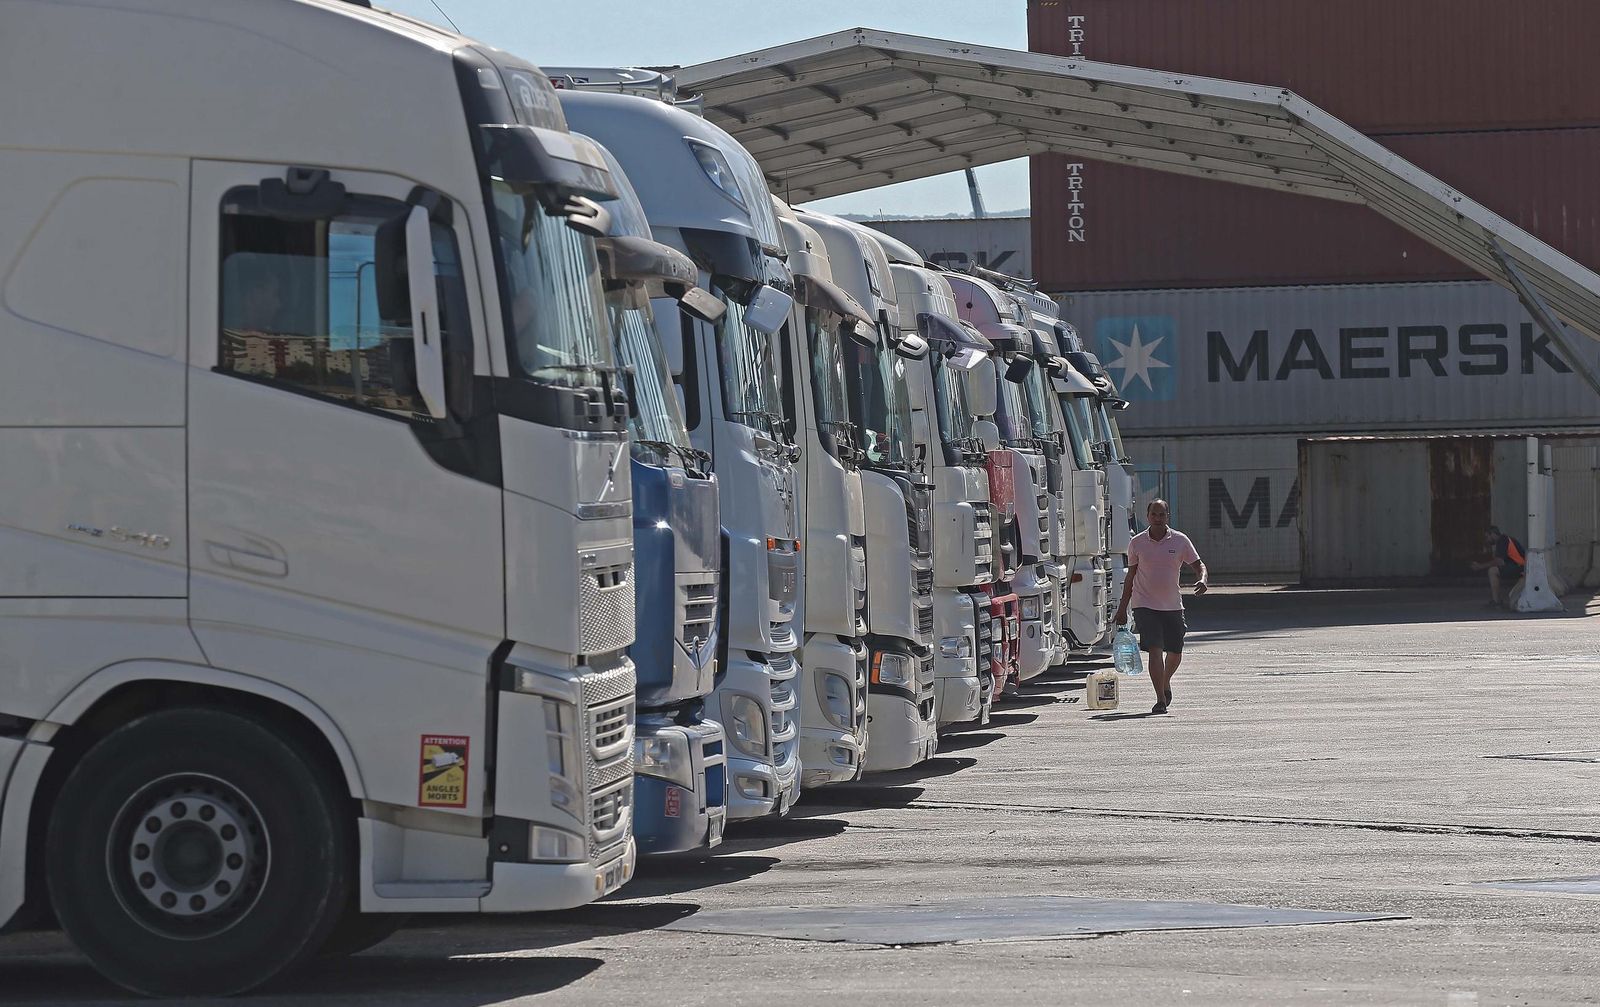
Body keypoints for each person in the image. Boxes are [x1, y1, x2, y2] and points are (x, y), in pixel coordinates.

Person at [1114, 499, 1207, 715]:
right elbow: (1130, 578)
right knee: (1155, 650)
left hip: (1173, 605)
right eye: (1154, 514)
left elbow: (1199, 565)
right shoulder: (1137, 543)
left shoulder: (1180, 540)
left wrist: (1203, 579)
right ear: (1147, 516)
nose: (1157, 518)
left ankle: (1166, 682)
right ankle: (1160, 700)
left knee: (1175, 652)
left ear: (1168, 517)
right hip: (1144, 605)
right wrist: (1122, 609)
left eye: (1161, 515)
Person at [1472, 525, 1525, 609]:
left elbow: (1499, 561)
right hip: (1518, 567)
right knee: (1494, 569)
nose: (1487, 540)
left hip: (1520, 567)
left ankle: (1496, 601)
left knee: (1492, 571)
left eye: (1487, 537)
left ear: (1492, 534)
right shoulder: (1505, 540)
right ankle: (1497, 600)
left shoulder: (1502, 540)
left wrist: (1480, 566)